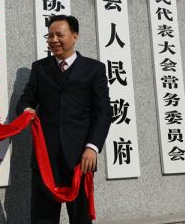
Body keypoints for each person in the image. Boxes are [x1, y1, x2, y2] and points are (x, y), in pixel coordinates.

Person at [16, 15, 111, 224]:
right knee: (42, 218)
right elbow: (26, 100)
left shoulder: (94, 69)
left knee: (80, 218)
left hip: (80, 159)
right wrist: (26, 110)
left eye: (59, 35)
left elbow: (103, 112)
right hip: (45, 158)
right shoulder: (40, 68)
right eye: (49, 36)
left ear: (75, 36)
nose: (53, 40)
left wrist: (92, 147)